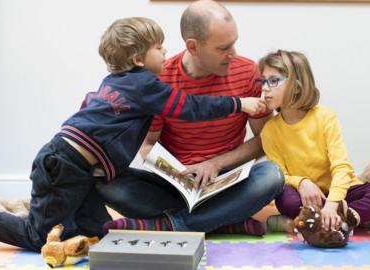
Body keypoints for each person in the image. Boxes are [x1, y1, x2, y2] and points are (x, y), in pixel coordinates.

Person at [0, 17, 267, 251]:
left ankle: (201, 220)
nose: (164, 52)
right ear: (138, 59)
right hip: (65, 165)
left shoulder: (114, 81)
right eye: (159, 48)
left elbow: (88, 110)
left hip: (75, 167)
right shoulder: (146, 84)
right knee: (39, 236)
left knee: (98, 233)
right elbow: (189, 107)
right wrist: (238, 103)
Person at [99, 0, 284, 236]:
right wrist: (177, 174)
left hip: (226, 183)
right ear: (193, 47)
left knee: (272, 175)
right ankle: (220, 220)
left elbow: (264, 139)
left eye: (234, 43)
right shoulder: (158, 79)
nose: (233, 54)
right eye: (223, 48)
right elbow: (148, 143)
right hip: (176, 186)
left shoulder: (248, 72)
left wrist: (215, 164)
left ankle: (173, 224)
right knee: (105, 179)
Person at [259, 49, 370, 232]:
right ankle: (353, 221)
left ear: (296, 84)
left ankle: (327, 219)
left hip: (340, 194)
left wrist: (333, 203)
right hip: (307, 197)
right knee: (285, 199)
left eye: (273, 81)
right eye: (263, 81)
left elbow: (341, 167)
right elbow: (280, 175)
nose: (264, 87)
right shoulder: (269, 130)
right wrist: (302, 182)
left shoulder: (325, 117)